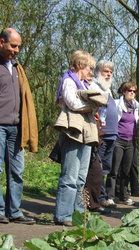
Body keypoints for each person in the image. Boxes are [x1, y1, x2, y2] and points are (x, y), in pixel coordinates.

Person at [0, 28, 38, 224]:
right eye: (13, 45)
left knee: (17, 171)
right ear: (1, 42)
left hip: (16, 128)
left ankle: (15, 211)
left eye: (18, 46)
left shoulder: (17, 68)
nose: (17, 50)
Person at [53, 50, 105, 226]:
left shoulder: (84, 84)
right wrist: (92, 106)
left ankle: (78, 213)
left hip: (87, 133)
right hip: (73, 132)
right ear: (81, 65)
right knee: (70, 176)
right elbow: (73, 104)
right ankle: (63, 215)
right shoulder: (68, 81)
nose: (91, 71)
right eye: (90, 67)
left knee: (82, 177)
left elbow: (100, 96)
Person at [89, 60, 118, 208]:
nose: (108, 75)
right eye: (106, 71)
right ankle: (97, 198)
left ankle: (102, 196)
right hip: (101, 134)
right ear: (98, 72)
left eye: (110, 72)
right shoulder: (94, 86)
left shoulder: (108, 90)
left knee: (106, 167)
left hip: (112, 134)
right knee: (97, 168)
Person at [106, 82, 139, 206]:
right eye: (129, 90)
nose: (132, 93)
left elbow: (137, 122)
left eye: (134, 91)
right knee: (114, 170)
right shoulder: (116, 104)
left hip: (130, 141)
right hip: (118, 140)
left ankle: (124, 195)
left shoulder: (136, 107)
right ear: (124, 92)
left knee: (126, 171)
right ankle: (109, 195)